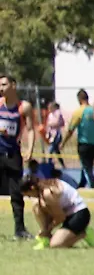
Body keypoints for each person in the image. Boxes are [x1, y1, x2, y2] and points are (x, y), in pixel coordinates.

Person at [0, 72, 36, 240]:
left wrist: (29, 148)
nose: (1, 88)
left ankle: (20, 230)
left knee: (16, 193)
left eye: (4, 85)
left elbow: (30, 129)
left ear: (13, 85)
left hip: (13, 154)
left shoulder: (24, 107)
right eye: (0, 85)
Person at [28, 161, 94, 248]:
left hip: (79, 213)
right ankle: (46, 239)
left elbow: (60, 217)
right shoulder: (43, 190)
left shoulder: (48, 192)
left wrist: (48, 229)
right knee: (37, 206)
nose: (30, 197)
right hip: (67, 213)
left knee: (56, 245)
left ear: (32, 188)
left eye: (28, 194)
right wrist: (44, 229)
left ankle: (84, 233)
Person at [73, 89, 94, 188]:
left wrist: (63, 142)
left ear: (79, 99)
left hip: (84, 143)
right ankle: (82, 183)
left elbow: (71, 128)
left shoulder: (79, 111)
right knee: (89, 165)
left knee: (87, 166)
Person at [40, 97, 66, 171]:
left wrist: (51, 124)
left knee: (51, 149)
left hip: (56, 134)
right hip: (51, 134)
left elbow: (59, 122)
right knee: (56, 150)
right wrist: (47, 132)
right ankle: (62, 164)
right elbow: (48, 124)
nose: (49, 108)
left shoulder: (57, 113)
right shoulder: (50, 115)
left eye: (50, 107)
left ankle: (49, 164)